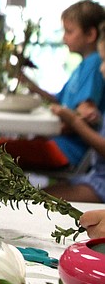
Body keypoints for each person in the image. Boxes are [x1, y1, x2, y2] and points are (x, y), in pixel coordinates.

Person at [2, 0, 105, 169]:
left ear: (90, 35)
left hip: (66, 150)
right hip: (58, 143)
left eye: (69, 32)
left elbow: (85, 114)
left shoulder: (94, 65)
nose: (64, 38)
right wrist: (28, 82)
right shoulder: (83, 65)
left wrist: (55, 127)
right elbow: (59, 101)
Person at [42, 20, 105, 203]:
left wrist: (74, 121)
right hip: (93, 178)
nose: (101, 68)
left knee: (33, 200)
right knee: (30, 197)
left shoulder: (90, 66)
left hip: (100, 185)